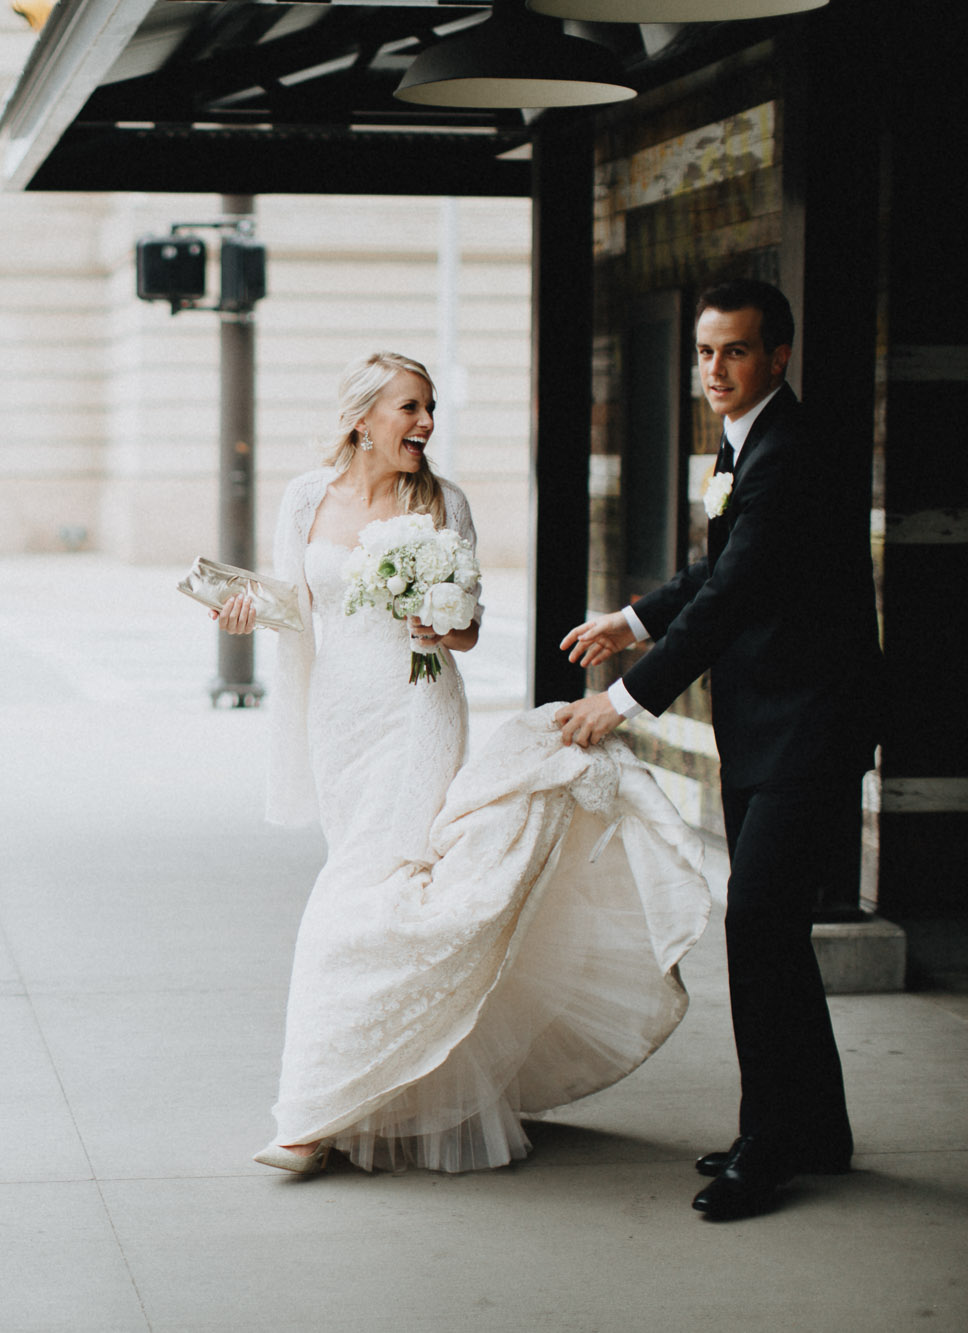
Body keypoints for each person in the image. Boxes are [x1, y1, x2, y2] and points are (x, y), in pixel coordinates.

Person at [219, 351, 709, 1179]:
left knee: (365, 895)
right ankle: (396, 1085)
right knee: (373, 889)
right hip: (340, 718)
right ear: (362, 418)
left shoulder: (445, 501)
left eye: (430, 407)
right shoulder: (306, 496)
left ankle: (308, 1115)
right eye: (410, 407)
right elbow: (294, 607)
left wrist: (442, 623)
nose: (425, 424)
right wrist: (245, 611)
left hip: (419, 710)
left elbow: (470, 625)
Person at [555, 278, 883, 1221]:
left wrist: (621, 701)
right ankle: (814, 1126)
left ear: (777, 354)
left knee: (756, 923)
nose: (714, 370)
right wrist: (629, 618)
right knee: (773, 930)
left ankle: (771, 1144)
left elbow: (735, 592)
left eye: (734, 351)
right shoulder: (746, 443)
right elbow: (715, 569)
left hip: (808, 724)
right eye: (704, 353)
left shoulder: (790, 449)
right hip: (765, 722)